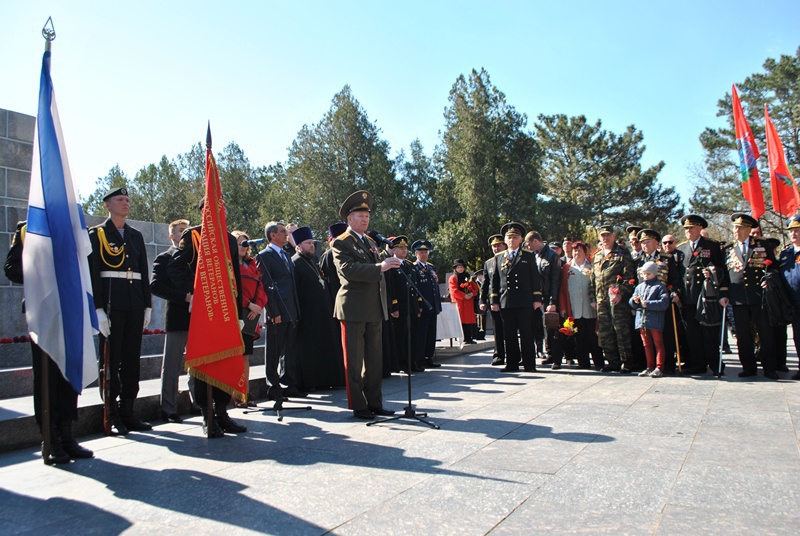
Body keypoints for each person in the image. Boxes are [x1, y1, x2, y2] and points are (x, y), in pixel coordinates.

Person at [5, 221, 93, 464]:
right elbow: (11, 268)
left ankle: (67, 435)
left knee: (68, 374)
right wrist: (44, 272)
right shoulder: (28, 227)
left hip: (70, 309)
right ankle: (50, 437)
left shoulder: (72, 226)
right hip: (42, 310)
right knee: (46, 376)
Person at [168, 199, 247, 437]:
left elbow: (236, 277)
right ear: (203, 211)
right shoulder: (193, 235)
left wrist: (238, 312)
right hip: (204, 311)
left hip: (225, 311)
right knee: (205, 362)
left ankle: (222, 412)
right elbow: (175, 267)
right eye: (213, 207)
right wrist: (195, 293)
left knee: (224, 360)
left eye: (222, 207)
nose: (218, 211)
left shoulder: (230, 239)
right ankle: (207, 416)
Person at [87, 187, 152, 434]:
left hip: (134, 304)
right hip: (112, 305)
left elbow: (143, 273)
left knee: (131, 360)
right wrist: (98, 309)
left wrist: (147, 304)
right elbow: (94, 274)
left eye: (127, 199)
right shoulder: (97, 234)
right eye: (119, 200)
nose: (125, 203)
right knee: (111, 361)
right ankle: (111, 414)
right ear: (107, 205)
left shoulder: (135, 236)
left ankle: (128, 411)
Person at [332, 190, 400, 419]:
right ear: (349, 219)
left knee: (374, 360)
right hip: (353, 307)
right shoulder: (341, 243)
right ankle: (359, 405)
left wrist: (386, 259)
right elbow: (348, 271)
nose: (365, 219)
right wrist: (380, 267)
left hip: (374, 307)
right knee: (354, 360)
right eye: (360, 216)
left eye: (367, 216)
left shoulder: (371, 242)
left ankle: (375, 402)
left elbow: (377, 266)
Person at [291, 226, 345, 391]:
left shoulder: (313, 261)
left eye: (312, 243)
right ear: (298, 246)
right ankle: (312, 382)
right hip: (308, 314)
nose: (312, 246)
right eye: (308, 243)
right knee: (311, 348)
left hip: (323, 312)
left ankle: (328, 379)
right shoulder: (295, 263)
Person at [256, 221, 305, 399]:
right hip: (276, 311)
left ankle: (289, 384)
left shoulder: (286, 255)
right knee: (274, 351)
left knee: (289, 350)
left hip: (291, 309)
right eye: (283, 232)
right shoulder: (264, 256)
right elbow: (265, 286)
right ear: (272, 235)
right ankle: (273, 387)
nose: (286, 234)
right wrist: (273, 311)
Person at [725, 213, 778, 379]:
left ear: (749, 229)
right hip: (738, 298)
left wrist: (769, 279)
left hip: (758, 297)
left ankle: (770, 368)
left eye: (740, 228)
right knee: (743, 335)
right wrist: (724, 294)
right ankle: (748, 367)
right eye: (735, 227)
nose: (737, 231)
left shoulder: (762, 244)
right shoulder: (728, 248)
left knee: (765, 333)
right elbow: (724, 276)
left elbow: (773, 266)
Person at [676, 214, 729, 375]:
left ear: (700, 228)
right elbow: (679, 273)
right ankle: (698, 364)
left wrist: (714, 273)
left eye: (691, 228)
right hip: (688, 298)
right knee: (692, 334)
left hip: (706, 297)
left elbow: (722, 269)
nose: (688, 231)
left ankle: (715, 365)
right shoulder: (681, 248)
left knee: (709, 333)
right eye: (686, 228)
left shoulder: (711, 246)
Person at [150, 218, 191, 422]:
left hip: (198, 319)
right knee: (172, 365)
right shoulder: (164, 258)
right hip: (177, 316)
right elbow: (156, 286)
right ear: (171, 235)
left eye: (187, 231)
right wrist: (184, 297)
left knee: (198, 365)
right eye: (180, 231)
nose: (184, 234)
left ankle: (198, 402)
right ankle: (169, 408)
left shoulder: (195, 257)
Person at [489, 223, 543, 372]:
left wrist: (537, 299)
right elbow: (494, 281)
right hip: (506, 302)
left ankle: (529, 364)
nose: (512, 240)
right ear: (505, 240)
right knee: (509, 335)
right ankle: (512, 363)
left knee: (526, 334)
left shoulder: (527, 255)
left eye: (515, 237)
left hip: (525, 302)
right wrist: (494, 300)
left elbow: (535, 278)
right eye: (509, 237)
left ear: (520, 240)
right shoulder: (499, 257)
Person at [636, 229, 684, 374]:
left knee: (665, 335)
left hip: (662, 302)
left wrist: (675, 292)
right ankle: (649, 365)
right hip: (644, 305)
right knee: (647, 339)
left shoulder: (666, 258)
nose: (645, 245)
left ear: (656, 243)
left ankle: (667, 365)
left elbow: (676, 279)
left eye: (648, 242)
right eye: (643, 243)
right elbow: (635, 282)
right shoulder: (638, 261)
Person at [592, 224, 636, 373]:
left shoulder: (622, 253)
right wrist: (593, 298)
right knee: (605, 332)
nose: (605, 238)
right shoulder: (597, 255)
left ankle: (627, 362)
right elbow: (593, 279)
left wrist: (621, 293)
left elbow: (630, 277)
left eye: (608, 235)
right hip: (602, 300)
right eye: (602, 235)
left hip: (618, 300)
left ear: (613, 236)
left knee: (621, 331)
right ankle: (612, 362)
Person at [232, 230, 267, 407]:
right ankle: (234, 395)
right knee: (235, 356)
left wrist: (258, 305)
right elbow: (232, 288)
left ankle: (244, 393)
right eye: (240, 243)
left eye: (246, 243)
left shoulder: (252, 264)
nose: (244, 247)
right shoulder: (229, 264)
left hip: (251, 315)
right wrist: (247, 304)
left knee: (245, 356)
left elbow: (260, 288)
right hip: (236, 313)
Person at [557, 241, 602, 370]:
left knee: (593, 336)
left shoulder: (592, 266)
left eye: (580, 250)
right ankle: (583, 363)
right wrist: (563, 308)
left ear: (585, 252)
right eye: (575, 251)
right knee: (579, 337)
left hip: (590, 308)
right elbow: (562, 289)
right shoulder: (567, 268)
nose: (577, 253)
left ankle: (598, 362)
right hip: (575, 308)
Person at [525, 231, 562, 368]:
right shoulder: (533, 256)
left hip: (548, 296)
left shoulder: (552, 255)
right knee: (541, 327)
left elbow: (555, 280)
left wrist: (553, 301)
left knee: (553, 327)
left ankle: (557, 358)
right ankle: (549, 353)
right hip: (536, 297)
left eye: (529, 244)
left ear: (536, 241)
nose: (528, 247)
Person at [629, 261, 671, 377]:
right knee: (646, 344)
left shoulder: (659, 286)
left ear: (654, 274)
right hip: (642, 319)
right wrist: (634, 301)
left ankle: (659, 367)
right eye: (644, 274)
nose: (646, 276)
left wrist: (648, 304)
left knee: (658, 343)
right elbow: (631, 301)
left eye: (649, 274)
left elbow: (664, 303)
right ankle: (649, 366)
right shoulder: (639, 286)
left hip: (655, 320)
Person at [412, 239, 443, 369]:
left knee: (431, 334)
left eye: (425, 252)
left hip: (433, 306)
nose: (423, 254)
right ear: (415, 254)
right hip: (422, 307)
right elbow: (416, 289)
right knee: (421, 335)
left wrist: (438, 305)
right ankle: (420, 359)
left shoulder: (431, 268)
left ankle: (429, 357)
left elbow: (435, 288)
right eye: (421, 252)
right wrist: (418, 306)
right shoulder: (414, 268)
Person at [778, 214, 800, 381]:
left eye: (797, 230)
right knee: (797, 336)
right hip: (792, 302)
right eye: (791, 231)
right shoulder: (786, 253)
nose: (794, 234)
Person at [480, 234, 507, 366]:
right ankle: (498, 355)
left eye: (498, 245)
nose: (496, 248)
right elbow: (485, 284)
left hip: (507, 300)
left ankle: (514, 354)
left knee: (510, 329)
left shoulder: (510, 258)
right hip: (493, 301)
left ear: (504, 245)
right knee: (497, 329)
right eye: (494, 246)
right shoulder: (489, 263)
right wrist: (482, 301)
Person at [449, 259, 480, 344]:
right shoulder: (453, 278)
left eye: (461, 267)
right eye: (458, 267)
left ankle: (468, 338)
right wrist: (464, 296)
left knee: (469, 321)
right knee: (461, 321)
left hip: (468, 302)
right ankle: (461, 339)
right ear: (455, 268)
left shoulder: (469, 277)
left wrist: (471, 294)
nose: (460, 269)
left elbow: (475, 288)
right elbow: (453, 290)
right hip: (459, 302)